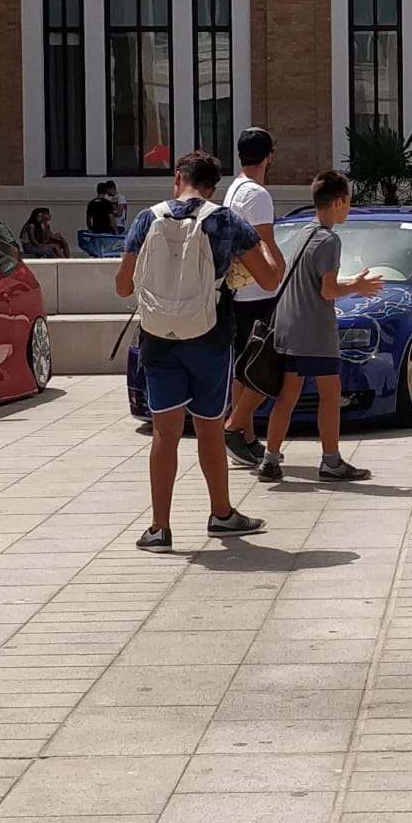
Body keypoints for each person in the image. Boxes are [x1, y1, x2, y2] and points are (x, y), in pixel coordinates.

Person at [114, 150, 283, 552]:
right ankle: (221, 514)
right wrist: (266, 244)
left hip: (158, 338)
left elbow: (123, 286)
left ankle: (159, 529)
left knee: (164, 432)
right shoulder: (224, 220)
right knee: (209, 426)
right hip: (208, 337)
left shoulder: (146, 218)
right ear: (213, 188)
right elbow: (270, 278)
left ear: (178, 178)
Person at [259, 170, 382, 483]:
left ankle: (270, 460)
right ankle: (331, 460)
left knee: (288, 395)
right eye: (348, 203)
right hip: (314, 330)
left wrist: (351, 283)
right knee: (331, 392)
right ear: (338, 201)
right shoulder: (329, 240)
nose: (349, 209)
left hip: (288, 326)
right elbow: (327, 291)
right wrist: (357, 285)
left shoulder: (305, 232)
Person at [221, 128, 283, 469]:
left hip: (239, 289)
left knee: (244, 365)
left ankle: (245, 435)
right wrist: (280, 270)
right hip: (259, 290)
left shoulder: (234, 189)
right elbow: (264, 242)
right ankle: (234, 429)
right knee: (264, 367)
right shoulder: (258, 195)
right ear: (268, 156)